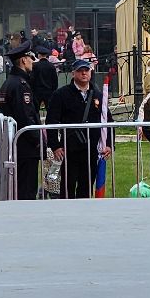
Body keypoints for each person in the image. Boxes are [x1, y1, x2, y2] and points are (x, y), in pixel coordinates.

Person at [45, 57, 111, 198]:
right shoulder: (61, 95)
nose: (84, 74)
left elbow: (108, 121)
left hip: (92, 150)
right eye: (80, 71)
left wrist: (109, 145)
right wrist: (55, 146)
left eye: (86, 70)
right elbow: (51, 121)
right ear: (73, 73)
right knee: (68, 187)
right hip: (69, 149)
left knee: (86, 186)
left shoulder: (98, 95)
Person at [0, 42, 43, 199]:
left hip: (18, 145)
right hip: (25, 146)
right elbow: (26, 116)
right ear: (24, 60)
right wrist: (38, 140)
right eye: (30, 58)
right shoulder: (20, 85)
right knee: (27, 189)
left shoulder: (9, 82)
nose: (32, 61)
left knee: (20, 187)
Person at [32, 49, 59, 118]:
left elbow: (32, 79)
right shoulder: (51, 66)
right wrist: (53, 90)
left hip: (37, 92)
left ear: (39, 55)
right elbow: (55, 81)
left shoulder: (35, 66)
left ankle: (37, 126)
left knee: (35, 111)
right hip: (49, 91)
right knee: (50, 111)